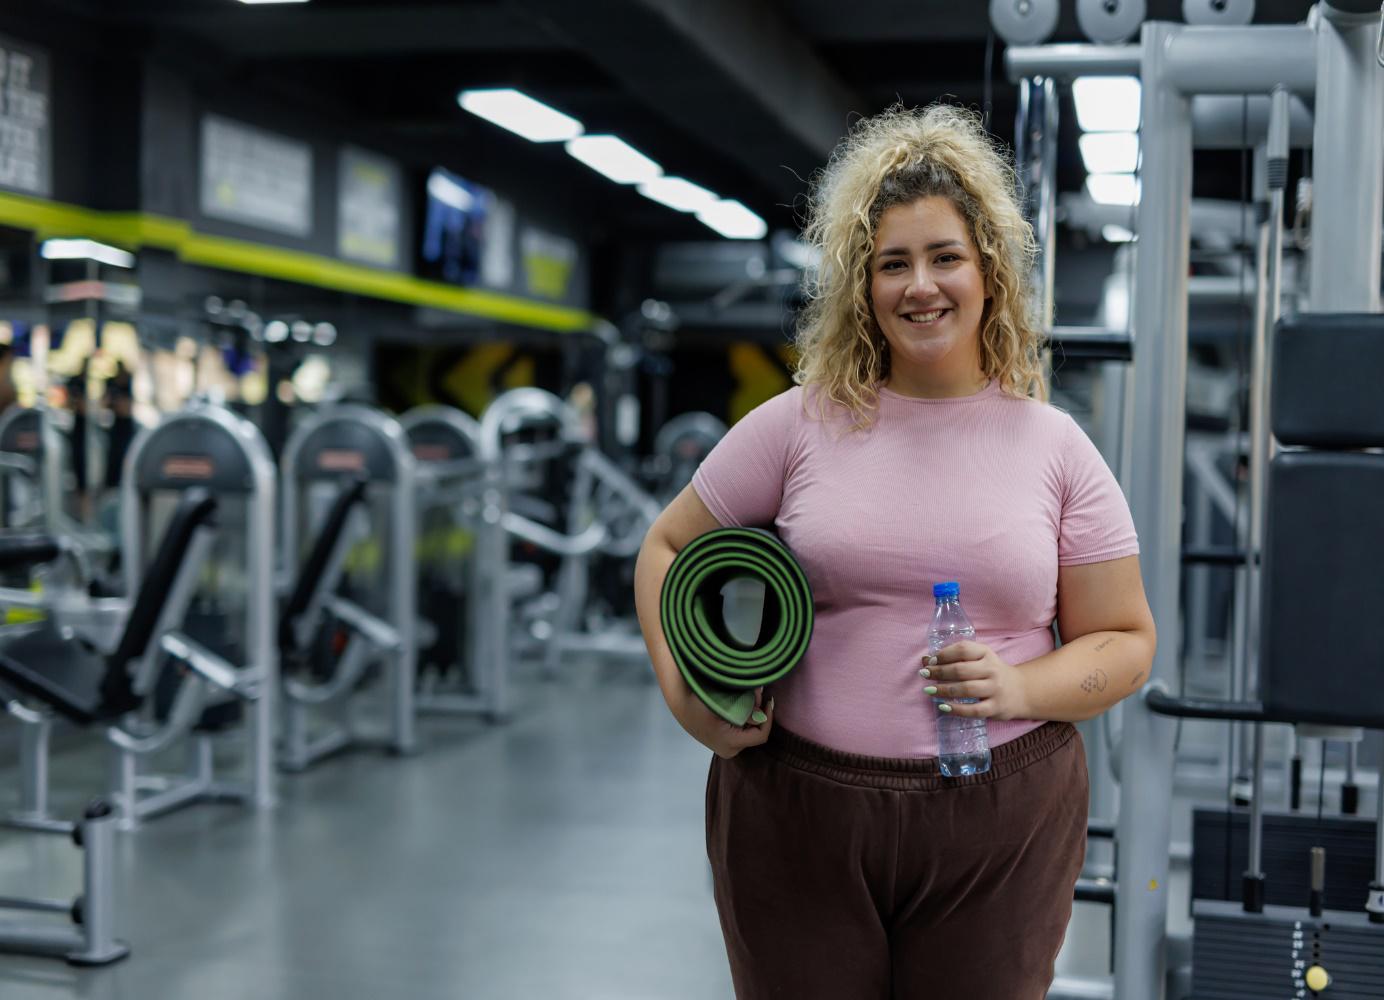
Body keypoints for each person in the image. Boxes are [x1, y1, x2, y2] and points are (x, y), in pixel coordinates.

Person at [633, 103, 1156, 1000]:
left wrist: (1021, 688)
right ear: (862, 285)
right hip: (798, 809)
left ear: (988, 270)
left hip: (1001, 818)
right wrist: (687, 699)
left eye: (945, 256)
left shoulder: (1054, 447)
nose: (922, 285)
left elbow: (1127, 641)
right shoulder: (799, 424)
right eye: (893, 264)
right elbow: (667, 545)